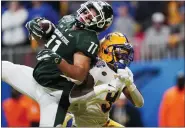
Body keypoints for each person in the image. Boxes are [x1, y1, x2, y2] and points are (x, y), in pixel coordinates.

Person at [2, 0, 113, 127]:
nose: (87, 14)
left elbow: (79, 74)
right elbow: (56, 45)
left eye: (94, 15)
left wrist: (57, 60)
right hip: (36, 79)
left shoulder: (88, 40)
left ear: (101, 23)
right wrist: (40, 31)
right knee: (3, 67)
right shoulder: (68, 19)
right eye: (89, 10)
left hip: (54, 95)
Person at [63, 32, 144, 127]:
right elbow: (72, 99)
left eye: (125, 54)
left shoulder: (124, 72)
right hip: (80, 123)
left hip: (103, 123)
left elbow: (139, 103)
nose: (123, 58)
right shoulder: (94, 69)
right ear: (106, 51)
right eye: (120, 53)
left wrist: (129, 83)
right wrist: (104, 88)